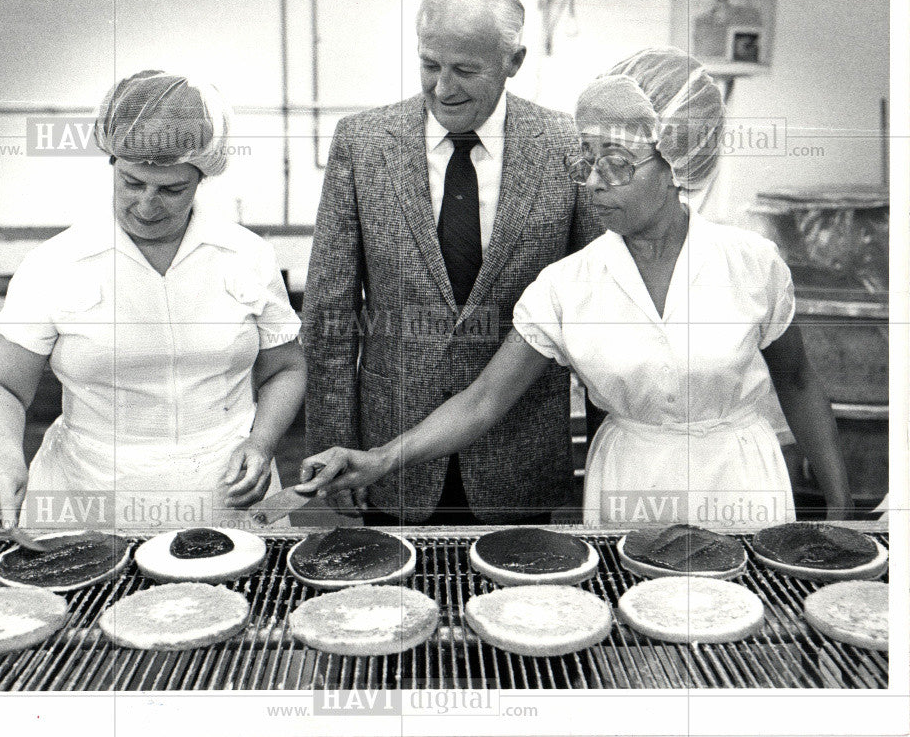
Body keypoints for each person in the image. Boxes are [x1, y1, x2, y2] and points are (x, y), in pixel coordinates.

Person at [300, 47, 854, 528]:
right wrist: (384, 458)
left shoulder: (752, 264)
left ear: (677, 162)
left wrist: (839, 508)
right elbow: (484, 401)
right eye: (586, 161)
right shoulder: (566, 285)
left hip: (740, 481)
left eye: (614, 164)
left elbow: (799, 383)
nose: (591, 181)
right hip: (629, 485)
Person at [302, 0, 602, 526]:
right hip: (389, 459)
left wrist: (606, 457)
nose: (443, 88)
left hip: (520, 456)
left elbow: (598, 314)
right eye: (429, 65)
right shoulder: (363, 143)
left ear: (514, 61)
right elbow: (330, 313)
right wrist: (332, 446)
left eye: (465, 70)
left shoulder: (566, 147)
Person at [0, 70, 306, 531]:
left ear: (201, 178)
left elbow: (285, 367)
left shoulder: (246, 255)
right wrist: (4, 458)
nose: (147, 205)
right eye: (132, 182)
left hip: (223, 492)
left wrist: (261, 442)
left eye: (171, 189)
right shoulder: (56, 262)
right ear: (112, 164)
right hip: (89, 495)